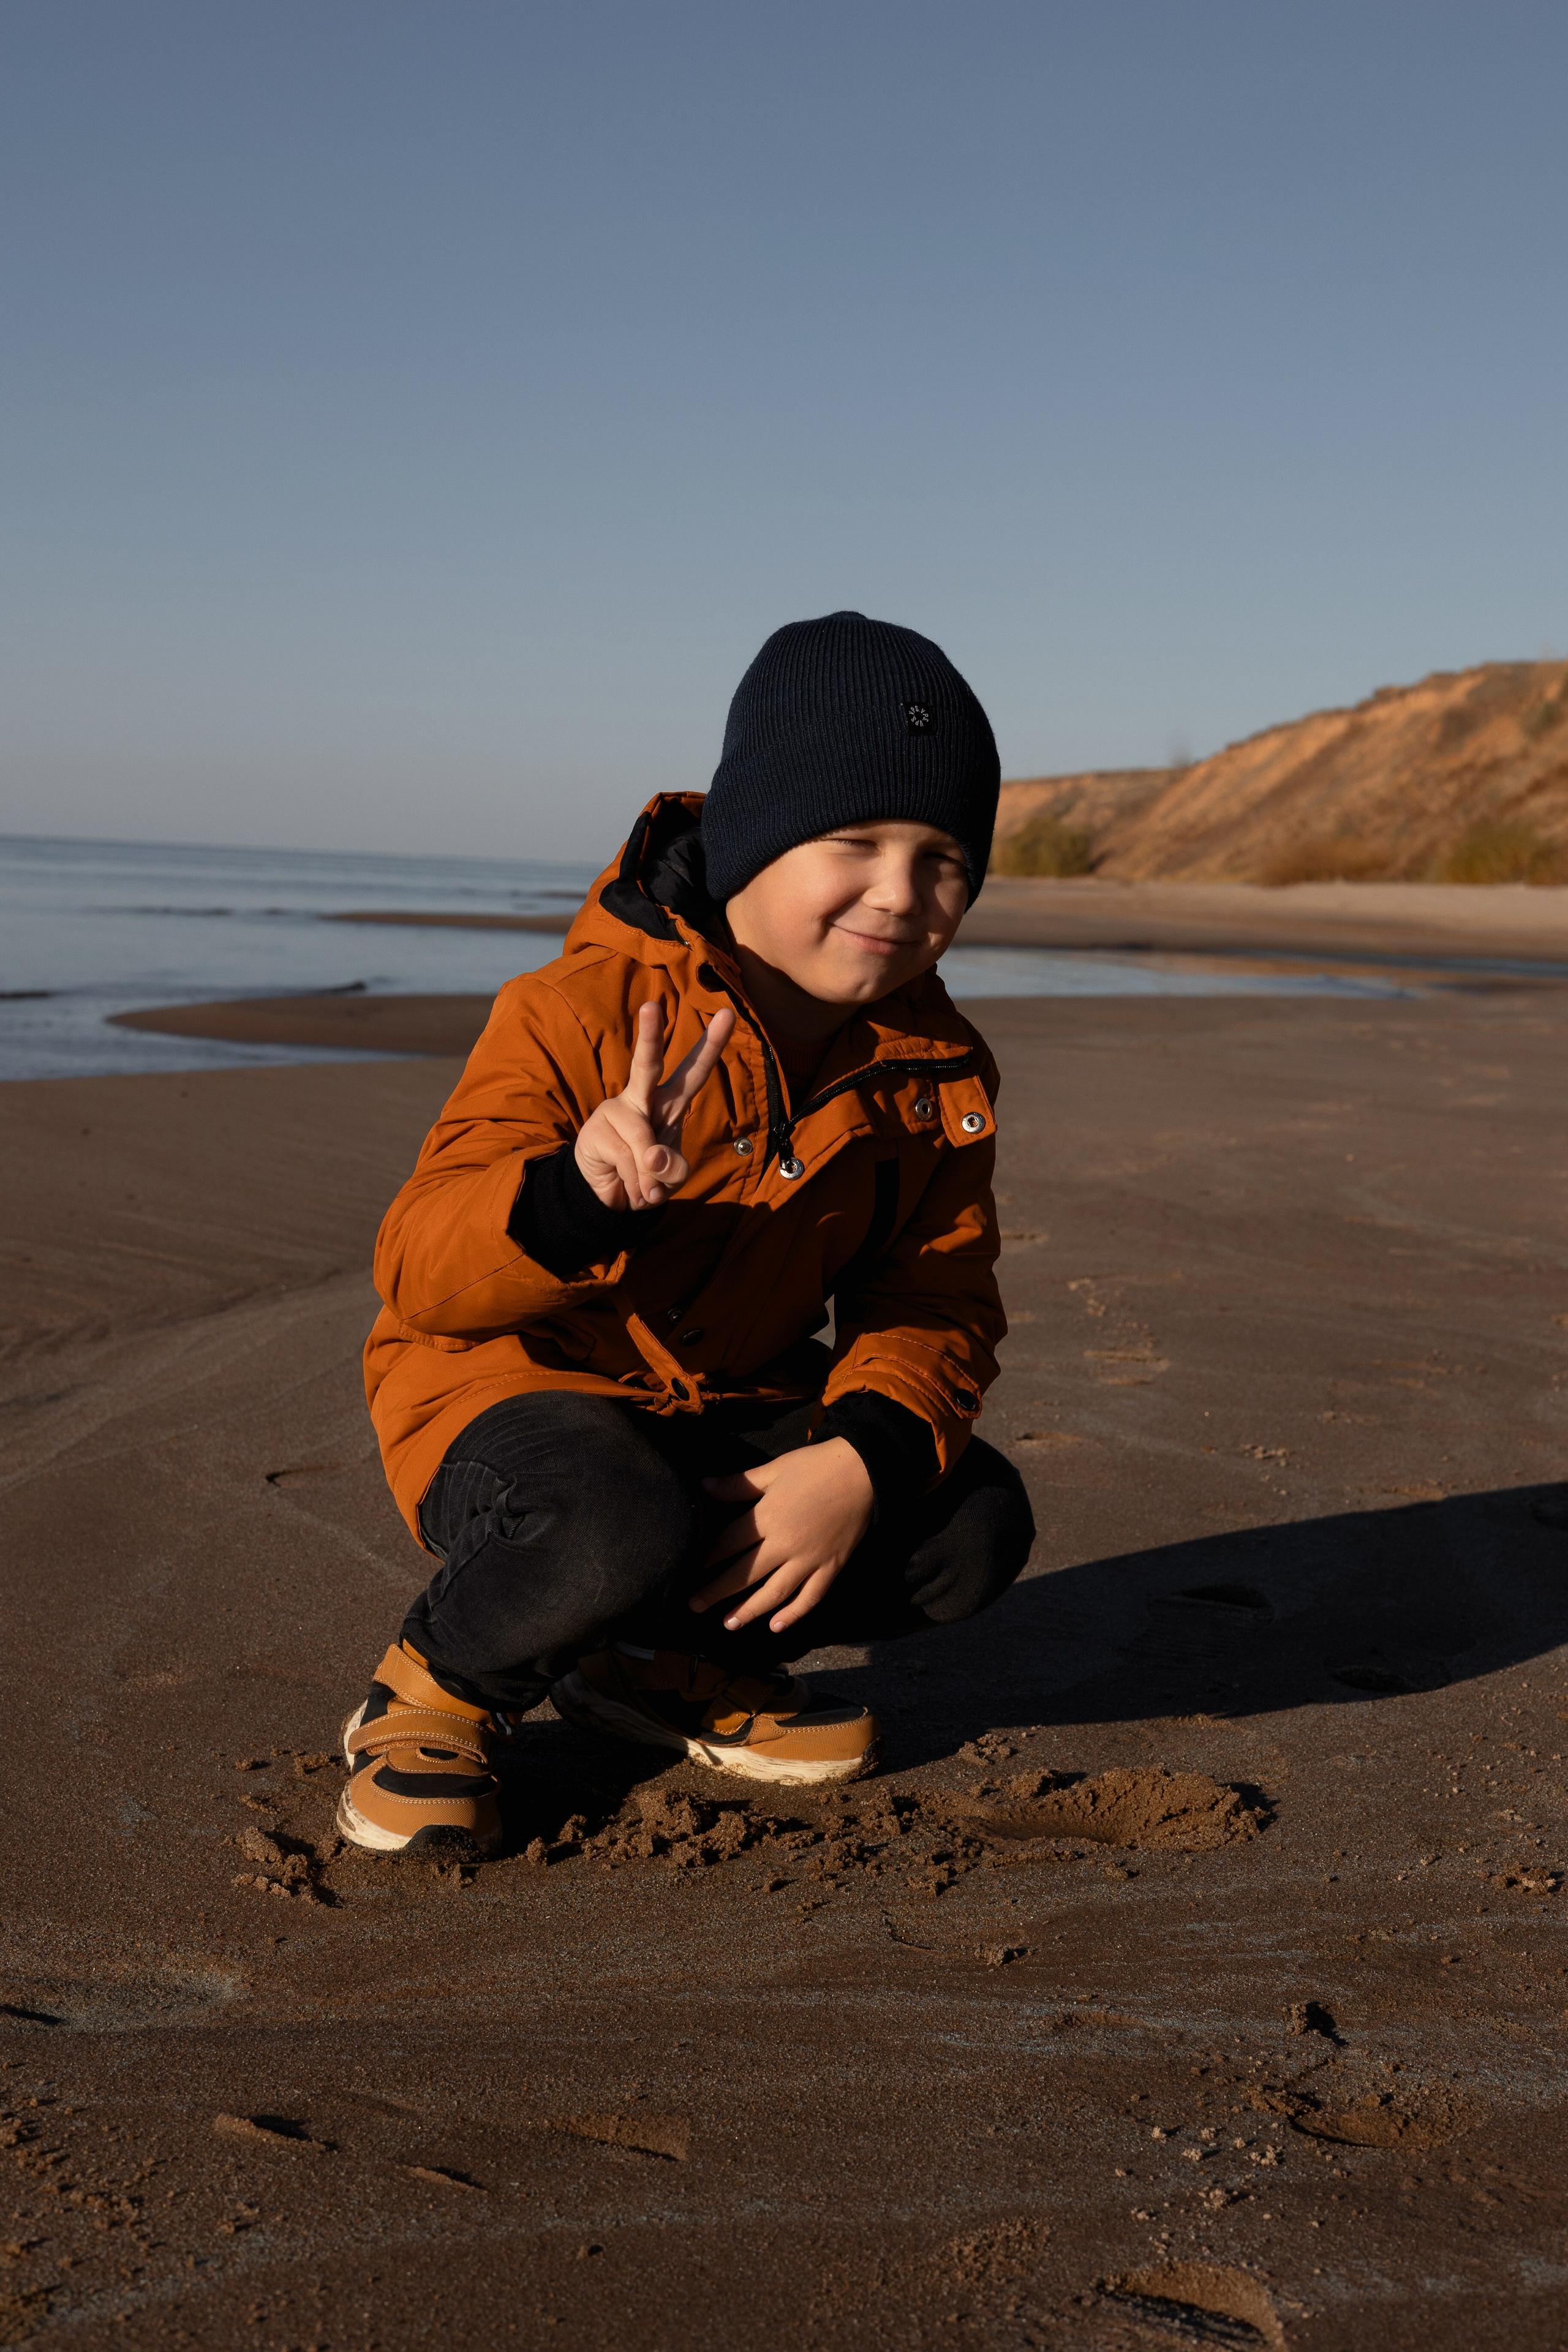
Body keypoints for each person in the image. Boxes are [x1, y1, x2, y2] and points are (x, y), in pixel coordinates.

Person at [339, 610, 1036, 1860]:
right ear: (751, 835)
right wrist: (569, 1194)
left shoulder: (935, 1069)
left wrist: (861, 1457)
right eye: (854, 841)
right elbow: (420, 1275)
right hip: (504, 1394)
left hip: (718, 1401)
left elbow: (935, 1301)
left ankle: (657, 1666)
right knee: (613, 1514)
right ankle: (434, 1687)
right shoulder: (575, 1012)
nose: (901, 893)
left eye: (943, 857)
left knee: (963, 1523)